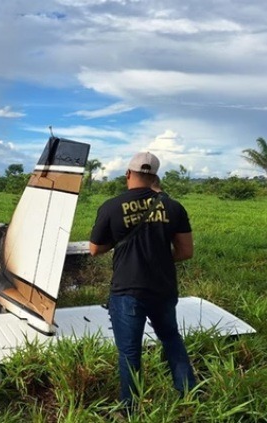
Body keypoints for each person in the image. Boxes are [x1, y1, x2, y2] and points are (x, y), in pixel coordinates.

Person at [89, 151, 196, 411]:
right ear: (155, 177)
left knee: (129, 352)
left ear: (127, 174)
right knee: (171, 339)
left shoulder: (111, 206)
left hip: (127, 290)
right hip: (163, 288)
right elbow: (185, 251)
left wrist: (120, 243)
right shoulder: (173, 207)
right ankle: (190, 398)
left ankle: (130, 411)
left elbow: (95, 249)